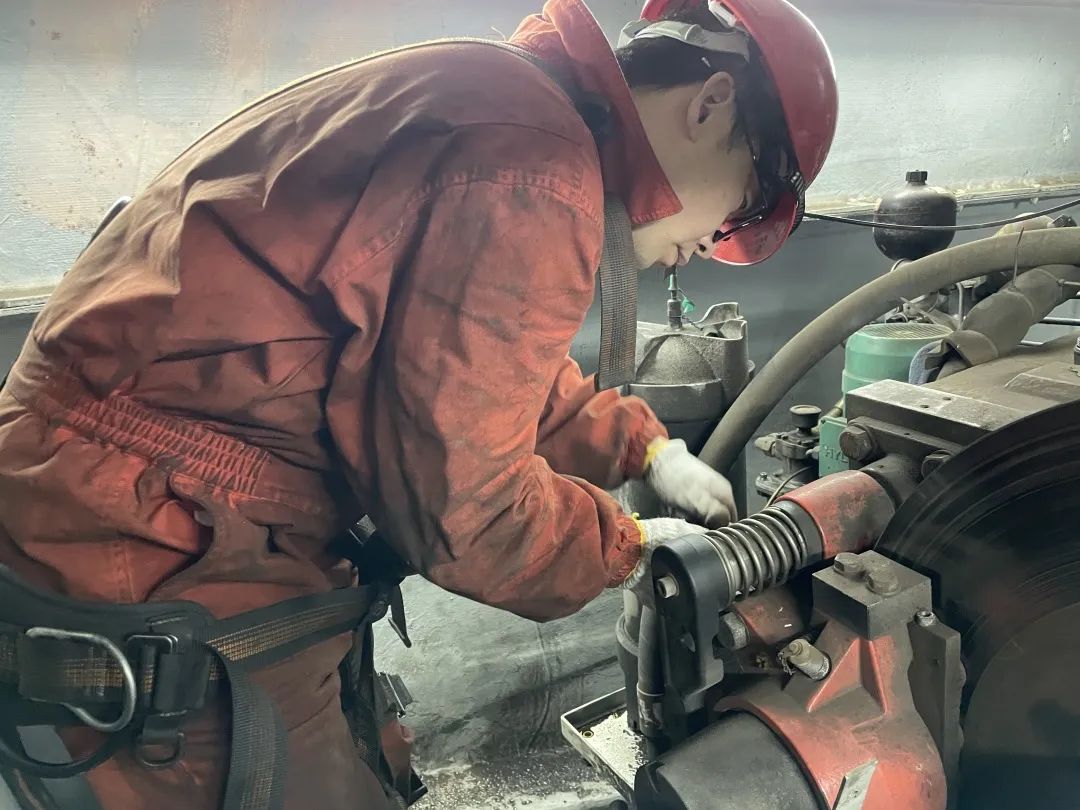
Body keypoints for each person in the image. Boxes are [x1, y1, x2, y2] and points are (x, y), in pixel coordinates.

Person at [0, 0, 836, 808]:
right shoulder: (533, 170)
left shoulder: (511, 105)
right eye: (748, 204)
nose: (718, 240)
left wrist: (644, 448)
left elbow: (472, 364)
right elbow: (470, 514)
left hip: (145, 485)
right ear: (712, 103)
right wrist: (626, 544)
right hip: (143, 530)